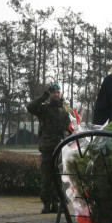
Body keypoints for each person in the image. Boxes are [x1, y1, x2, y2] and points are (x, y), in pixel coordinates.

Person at [26, 82, 72, 213]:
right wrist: (42, 97)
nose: (56, 94)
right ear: (50, 94)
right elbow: (30, 107)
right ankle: (46, 204)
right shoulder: (44, 108)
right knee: (46, 177)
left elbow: (72, 126)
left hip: (62, 147)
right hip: (47, 147)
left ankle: (56, 203)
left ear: (61, 93)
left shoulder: (66, 109)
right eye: (53, 92)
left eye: (58, 92)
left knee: (59, 177)